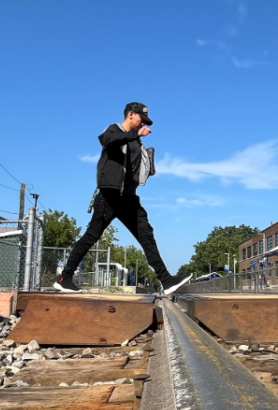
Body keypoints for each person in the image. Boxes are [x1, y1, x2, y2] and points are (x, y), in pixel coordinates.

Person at [53, 102, 192, 295]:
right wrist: (136, 134)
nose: (143, 123)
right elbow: (108, 141)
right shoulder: (114, 130)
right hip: (109, 196)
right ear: (131, 115)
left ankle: (166, 280)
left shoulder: (136, 141)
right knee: (91, 236)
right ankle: (64, 278)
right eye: (142, 118)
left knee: (146, 234)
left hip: (128, 197)